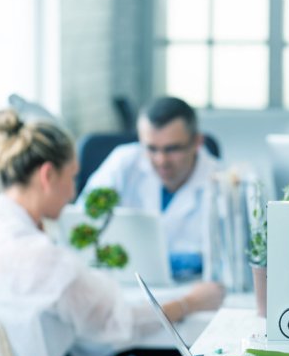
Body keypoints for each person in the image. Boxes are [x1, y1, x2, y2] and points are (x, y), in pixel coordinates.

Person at [0, 109, 225, 356]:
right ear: (47, 175)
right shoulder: (44, 258)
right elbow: (122, 322)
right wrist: (192, 302)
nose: (72, 193)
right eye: (72, 177)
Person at [82, 96, 218, 278]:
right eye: (151, 149)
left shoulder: (220, 183)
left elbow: (220, 258)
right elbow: (82, 221)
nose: (161, 160)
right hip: (124, 284)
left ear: (197, 142)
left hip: (190, 289)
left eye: (172, 149)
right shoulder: (123, 163)